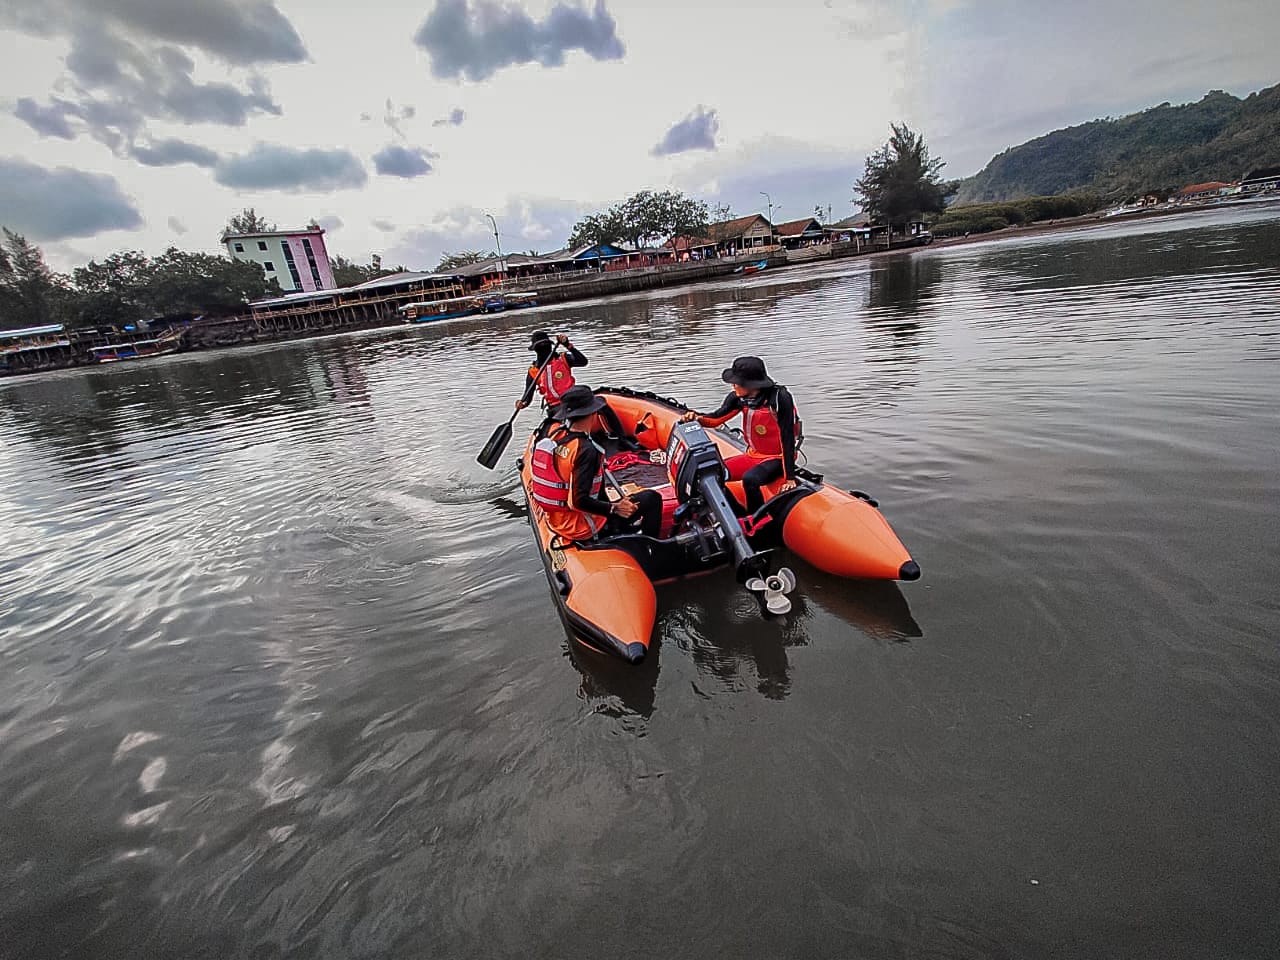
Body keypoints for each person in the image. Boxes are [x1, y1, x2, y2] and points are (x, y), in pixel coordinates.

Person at [529, 385, 663, 541]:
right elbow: (578, 501)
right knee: (652, 498)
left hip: (559, 520)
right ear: (593, 413)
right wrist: (614, 508)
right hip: (583, 525)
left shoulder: (556, 436)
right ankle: (650, 547)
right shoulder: (585, 450)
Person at [679, 356, 801, 513]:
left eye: (736, 382)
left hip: (777, 457)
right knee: (713, 475)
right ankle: (736, 513)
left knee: (750, 479)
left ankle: (757, 520)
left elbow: (787, 436)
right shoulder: (738, 398)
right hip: (753, 455)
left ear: (750, 384)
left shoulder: (779, 398)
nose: (733, 386)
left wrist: (789, 477)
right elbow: (716, 419)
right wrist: (695, 418)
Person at [516, 330, 587, 411]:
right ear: (535, 349)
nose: (543, 348)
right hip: (554, 407)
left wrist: (567, 345)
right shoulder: (533, 371)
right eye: (540, 346)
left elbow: (583, 362)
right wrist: (522, 403)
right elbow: (528, 396)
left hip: (573, 401)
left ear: (550, 345)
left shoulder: (563, 359)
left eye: (546, 345)